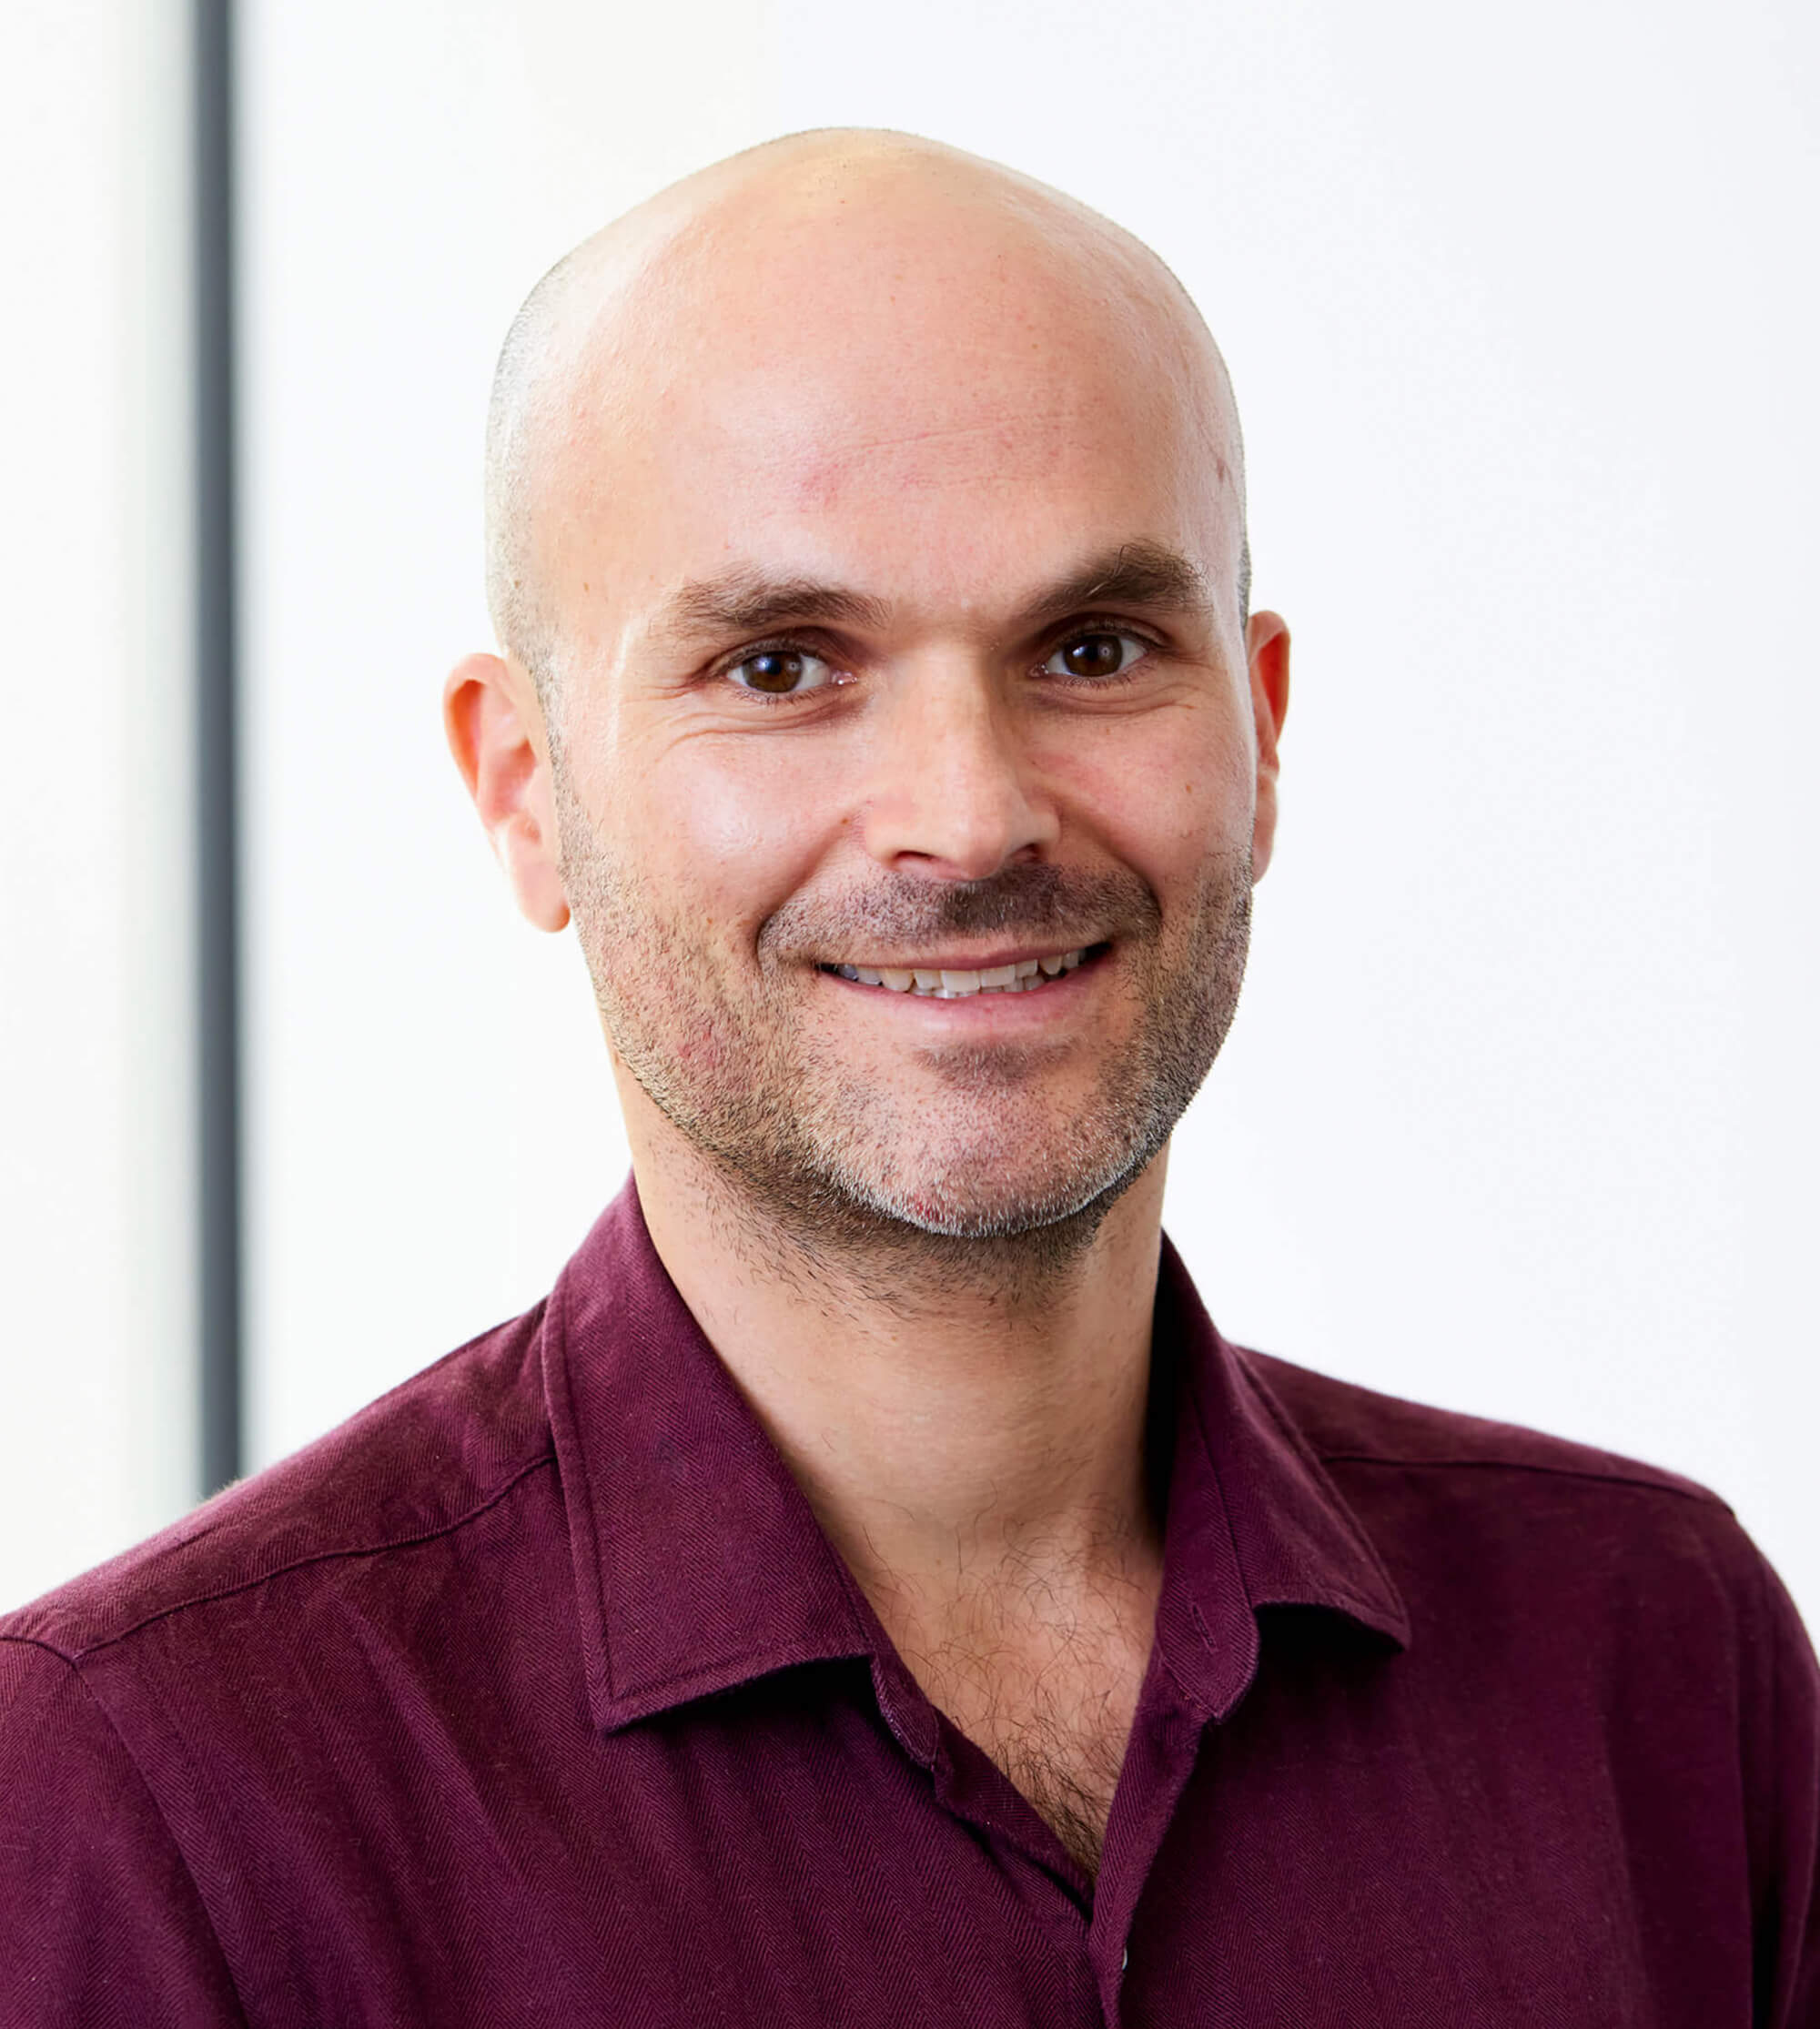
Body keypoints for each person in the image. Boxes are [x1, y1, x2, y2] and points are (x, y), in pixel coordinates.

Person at [2, 128, 1815, 2025]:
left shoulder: (1663, 1672)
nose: (967, 815)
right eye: (782, 667)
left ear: (1261, 736)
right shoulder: (146, 1801)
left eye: (1092, 647)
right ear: (525, 791)